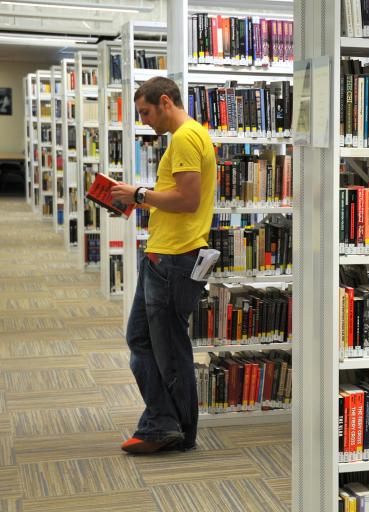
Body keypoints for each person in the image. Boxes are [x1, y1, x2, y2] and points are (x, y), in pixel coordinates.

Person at [111, 76, 215, 454]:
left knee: (170, 351)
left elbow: (187, 200)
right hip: (166, 255)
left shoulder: (186, 137)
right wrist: (138, 200)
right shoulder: (190, 136)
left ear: (166, 101)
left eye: (146, 112)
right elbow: (176, 196)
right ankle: (163, 421)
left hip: (174, 258)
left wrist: (139, 193)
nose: (145, 121)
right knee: (141, 339)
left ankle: (176, 430)